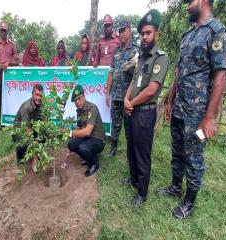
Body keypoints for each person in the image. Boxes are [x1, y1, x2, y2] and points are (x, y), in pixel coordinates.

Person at [159, 0, 226, 219]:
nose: (187, 6)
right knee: (177, 149)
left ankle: (189, 201)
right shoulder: (188, 35)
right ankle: (175, 187)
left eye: (189, 2)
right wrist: (170, 100)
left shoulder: (216, 31)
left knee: (194, 155)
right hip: (180, 105)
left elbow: (220, 76)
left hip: (197, 111)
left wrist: (210, 117)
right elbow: (179, 72)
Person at [123, 9, 169, 207]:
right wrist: (126, 99)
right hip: (132, 111)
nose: (144, 36)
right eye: (142, 33)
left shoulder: (161, 58)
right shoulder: (141, 58)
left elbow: (152, 90)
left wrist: (131, 103)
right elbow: (133, 82)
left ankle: (142, 193)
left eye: (148, 33)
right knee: (131, 149)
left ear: (156, 34)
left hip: (145, 113)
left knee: (142, 153)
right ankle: (133, 180)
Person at [106, 20, 138, 157]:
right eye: (119, 31)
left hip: (129, 97)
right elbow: (111, 73)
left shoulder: (136, 50)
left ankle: (130, 151)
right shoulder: (116, 51)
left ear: (130, 30)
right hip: (116, 95)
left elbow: (139, 74)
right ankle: (113, 148)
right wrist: (108, 92)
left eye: (123, 31)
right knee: (116, 123)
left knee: (129, 126)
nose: (121, 34)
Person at [67, 85, 106, 177]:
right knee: (71, 144)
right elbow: (79, 128)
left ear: (84, 96)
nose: (77, 102)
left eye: (79, 98)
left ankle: (94, 163)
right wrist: (70, 146)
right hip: (88, 138)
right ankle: (87, 157)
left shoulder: (92, 108)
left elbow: (88, 131)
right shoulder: (79, 111)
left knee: (83, 147)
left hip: (98, 140)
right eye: (75, 101)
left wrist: (70, 132)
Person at [0, 21, 19, 131]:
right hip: (0, 72)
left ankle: (14, 120)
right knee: (2, 95)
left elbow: (17, 60)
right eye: (1, 30)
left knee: (12, 96)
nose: (3, 32)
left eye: (5, 30)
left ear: (7, 32)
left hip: (11, 73)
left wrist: (9, 63)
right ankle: (2, 121)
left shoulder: (12, 44)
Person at [12, 84, 44, 164]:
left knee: (44, 135)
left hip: (32, 126)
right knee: (23, 145)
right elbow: (28, 130)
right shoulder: (26, 107)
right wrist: (34, 155)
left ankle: (37, 153)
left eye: (40, 96)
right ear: (32, 94)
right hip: (19, 129)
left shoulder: (42, 104)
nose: (38, 98)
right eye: (36, 95)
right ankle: (20, 157)